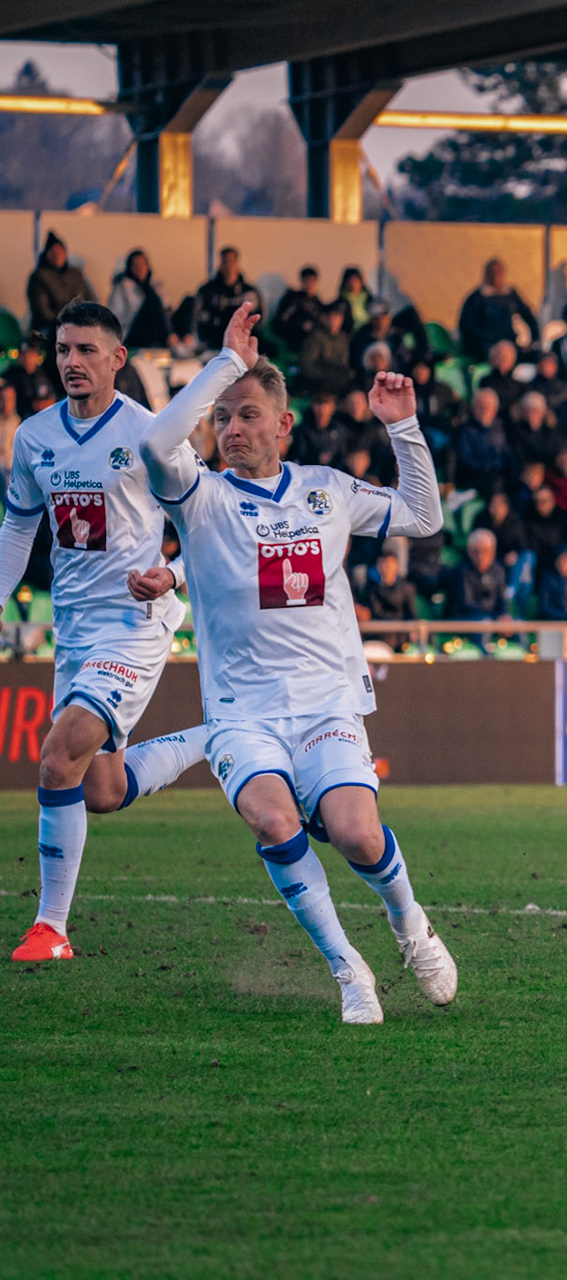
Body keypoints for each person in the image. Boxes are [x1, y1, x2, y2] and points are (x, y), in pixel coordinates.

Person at [139, 330, 456, 1023]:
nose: (231, 429)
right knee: (275, 822)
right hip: (241, 714)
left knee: (360, 837)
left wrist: (402, 426)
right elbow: (156, 447)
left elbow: (424, 518)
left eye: (247, 414)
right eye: (221, 417)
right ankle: (348, 968)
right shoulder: (202, 497)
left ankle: (410, 926)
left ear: (284, 424)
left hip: (326, 706)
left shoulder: (327, 491)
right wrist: (222, 366)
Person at [3, 301, 249, 963]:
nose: (72, 363)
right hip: (75, 633)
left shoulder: (150, 438)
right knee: (100, 790)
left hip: (135, 625)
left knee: (57, 756)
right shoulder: (34, 438)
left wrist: (170, 576)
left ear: (118, 359)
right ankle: (217, 734)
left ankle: (50, 928)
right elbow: (20, 526)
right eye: (62, 351)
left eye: (87, 351)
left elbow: (207, 523)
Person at [457, 257, 536, 361]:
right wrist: (485, 342)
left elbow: (528, 315)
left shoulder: (511, 295)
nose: (496, 275)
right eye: (492, 272)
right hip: (485, 346)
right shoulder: (477, 298)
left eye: (499, 272)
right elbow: (466, 325)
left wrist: (534, 339)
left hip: (509, 343)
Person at [184, 246, 256, 353]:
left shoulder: (249, 292)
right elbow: (195, 316)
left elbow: (258, 318)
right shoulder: (206, 291)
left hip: (241, 342)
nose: (228, 266)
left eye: (231, 261)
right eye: (225, 262)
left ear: (237, 263)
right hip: (212, 343)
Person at [26, 232, 95, 336]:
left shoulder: (76, 274)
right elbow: (42, 311)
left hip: (79, 324)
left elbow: (89, 299)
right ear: (47, 254)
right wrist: (65, 322)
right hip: (49, 328)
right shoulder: (38, 277)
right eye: (53, 252)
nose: (57, 255)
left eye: (60, 251)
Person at [107, 250, 171, 350]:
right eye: (135, 265)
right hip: (133, 332)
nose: (139, 268)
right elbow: (114, 316)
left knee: (189, 301)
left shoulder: (153, 287)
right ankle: (171, 340)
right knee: (153, 302)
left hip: (156, 331)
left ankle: (176, 340)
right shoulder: (123, 288)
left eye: (142, 264)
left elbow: (167, 308)